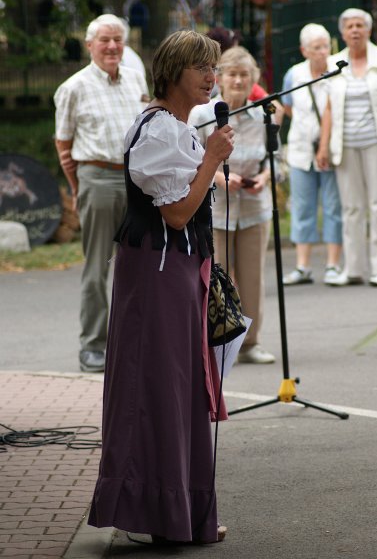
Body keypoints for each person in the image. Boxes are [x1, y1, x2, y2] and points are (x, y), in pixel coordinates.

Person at [88, 30, 233, 544]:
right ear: (173, 72)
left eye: (213, 67)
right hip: (155, 273)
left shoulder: (176, 127)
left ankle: (184, 514)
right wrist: (212, 159)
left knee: (182, 388)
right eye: (202, 68)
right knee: (157, 389)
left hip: (173, 270)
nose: (211, 78)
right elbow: (174, 214)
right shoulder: (158, 131)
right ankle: (158, 516)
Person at [54, 14, 149, 373]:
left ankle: (134, 341)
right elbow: (63, 143)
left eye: (118, 40)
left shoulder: (135, 78)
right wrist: (80, 187)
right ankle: (93, 346)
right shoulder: (73, 87)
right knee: (97, 267)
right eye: (104, 40)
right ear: (89, 45)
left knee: (140, 264)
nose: (112, 47)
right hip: (97, 176)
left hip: (137, 179)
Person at [190, 46, 277, 364]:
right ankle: (217, 343)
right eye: (232, 74)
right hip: (217, 208)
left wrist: (264, 178)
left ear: (253, 78)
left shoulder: (263, 114)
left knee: (253, 277)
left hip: (254, 208)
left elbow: (274, 159)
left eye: (245, 75)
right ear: (219, 79)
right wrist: (221, 179)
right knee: (217, 276)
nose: (238, 81)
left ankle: (251, 343)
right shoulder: (203, 115)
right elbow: (192, 158)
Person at [317, 8, 377, 286]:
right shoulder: (335, 63)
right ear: (343, 33)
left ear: (368, 30)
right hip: (345, 146)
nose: (355, 30)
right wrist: (323, 146)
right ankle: (354, 268)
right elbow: (329, 109)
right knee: (351, 208)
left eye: (360, 25)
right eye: (350, 26)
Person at [281, 24, 343, 285]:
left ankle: (332, 264)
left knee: (332, 207)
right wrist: (307, 127)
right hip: (300, 149)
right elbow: (286, 106)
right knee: (302, 207)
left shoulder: (337, 73)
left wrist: (323, 142)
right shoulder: (294, 75)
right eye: (316, 47)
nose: (322, 52)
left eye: (325, 46)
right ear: (304, 50)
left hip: (329, 149)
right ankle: (303, 266)